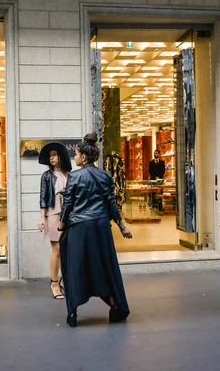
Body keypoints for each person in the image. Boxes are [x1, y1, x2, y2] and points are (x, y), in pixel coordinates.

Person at [59, 132, 132, 328]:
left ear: (84, 157)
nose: (74, 158)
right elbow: (111, 203)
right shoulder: (105, 175)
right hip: (100, 226)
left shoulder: (74, 176)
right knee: (104, 266)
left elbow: (68, 204)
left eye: (76, 155)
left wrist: (61, 224)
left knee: (75, 267)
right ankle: (115, 305)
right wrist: (122, 225)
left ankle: (73, 311)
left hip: (79, 227)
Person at [37, 142, 72, 300]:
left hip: (69, 215)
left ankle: (65, 281)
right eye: (50, 156)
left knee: (67, 249)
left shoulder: (68, 174)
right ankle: (54, 283)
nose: (51, 158)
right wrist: (42, 218)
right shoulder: (46, 176)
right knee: (56, 249)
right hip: (53, 213)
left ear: (60, 156)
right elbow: (43, 197)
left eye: (54, 155)